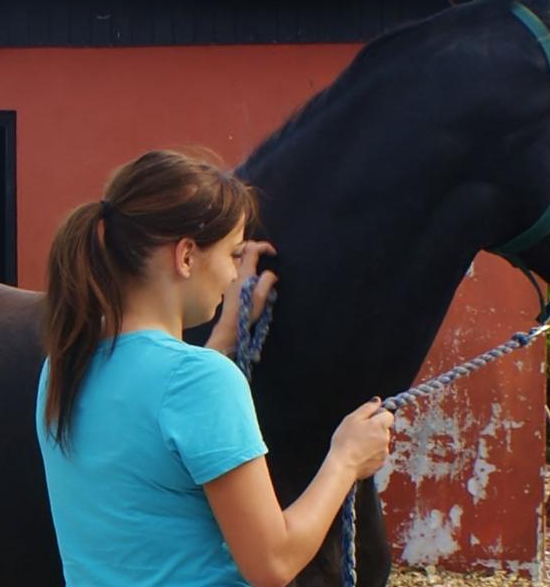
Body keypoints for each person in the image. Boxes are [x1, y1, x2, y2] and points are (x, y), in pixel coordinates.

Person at [35, 150, 393, 587]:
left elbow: (161, 408)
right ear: (186, 256)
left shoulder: (64, 366)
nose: (231, 276)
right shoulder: (199, 381)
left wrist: (225, 332)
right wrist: (346, 459)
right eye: (231, 254)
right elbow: (272, 563)